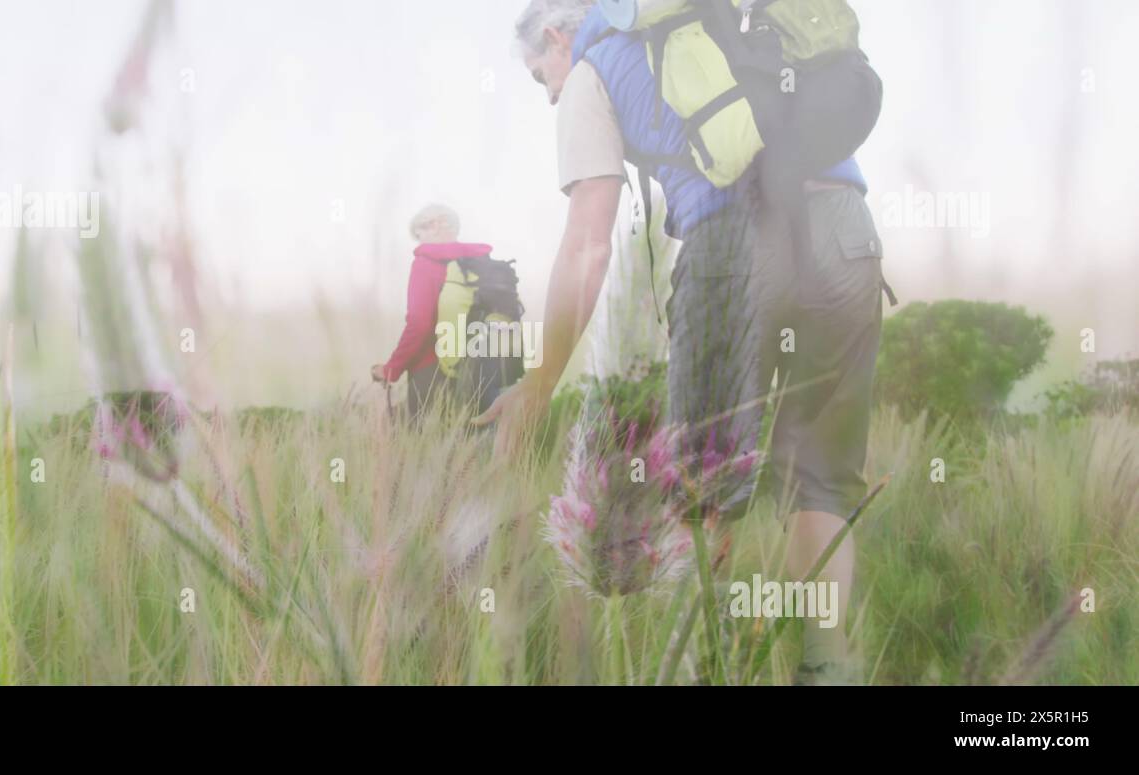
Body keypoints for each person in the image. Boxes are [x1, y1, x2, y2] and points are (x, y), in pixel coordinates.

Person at [475, 0, 889, 684]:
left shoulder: (593, 70)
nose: (550, 92)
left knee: (702, 484)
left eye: (538, 74)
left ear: (557, 35)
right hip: (846, 235)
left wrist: (540, 383)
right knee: (822, 477)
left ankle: (706, 670)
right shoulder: (733, 20)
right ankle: (830, 671)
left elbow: (587, 246)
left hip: (733, 246)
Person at [372, 204, 498, 422]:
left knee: (424, 448)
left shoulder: (425, 263)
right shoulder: (481, 261)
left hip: (432, 371)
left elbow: (420, 325)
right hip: (484, 368)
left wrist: (391, 369)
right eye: (428, 223)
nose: (436, 226)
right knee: (477, 445)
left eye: (442, 221)